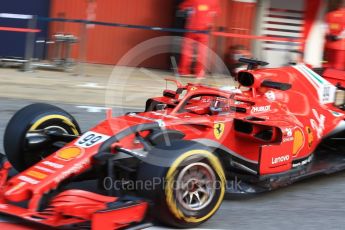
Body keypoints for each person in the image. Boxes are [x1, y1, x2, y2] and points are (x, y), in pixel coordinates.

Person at [178, 0, 220, 79]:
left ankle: (183, 71)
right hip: (204, 30)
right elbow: (215, 13)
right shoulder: (214, 1)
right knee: (202, 53)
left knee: (187, 51)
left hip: (191, 28)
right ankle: (199, 73)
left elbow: (182, 8)